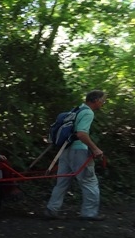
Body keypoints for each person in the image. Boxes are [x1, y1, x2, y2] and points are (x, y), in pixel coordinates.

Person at [45, 90, 106, 221]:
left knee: (62, 182)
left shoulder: (76, 110)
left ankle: (52, 210)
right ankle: (89, 213)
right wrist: (95, 149)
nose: (103, 103)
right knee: (89, 182)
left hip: (65, 150)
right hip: (79, 151)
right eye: (102, 100)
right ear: (95, 100)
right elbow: (81, 134)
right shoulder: (88, 112)